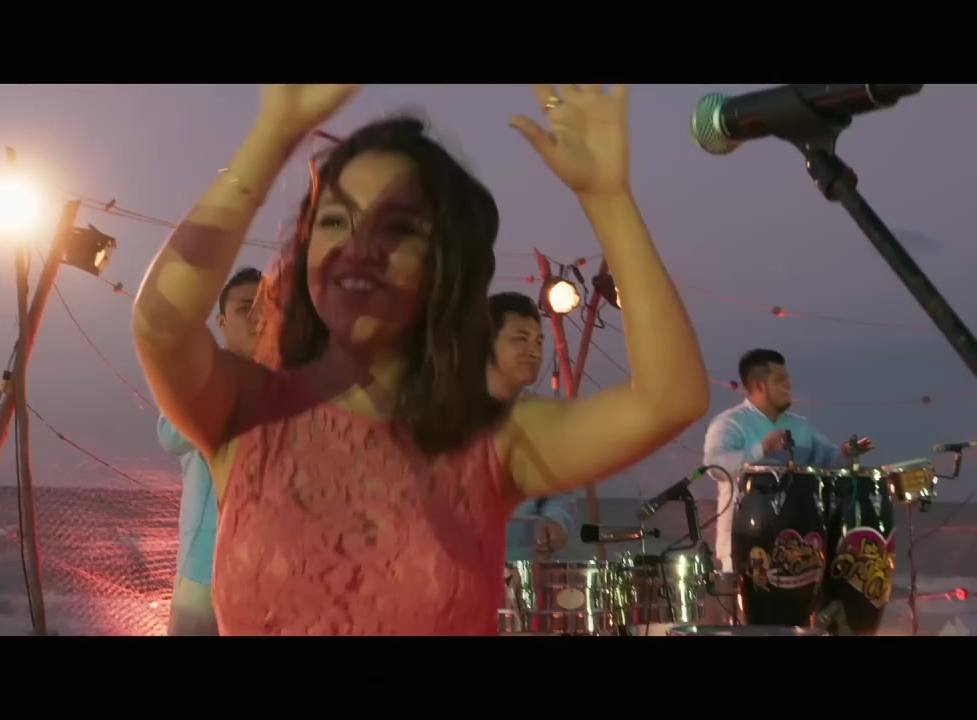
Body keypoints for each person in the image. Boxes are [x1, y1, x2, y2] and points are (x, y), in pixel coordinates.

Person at [132, 84, 709, 635]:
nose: (358, 247)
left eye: (398, 228)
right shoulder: (246, 411)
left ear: (445, 266)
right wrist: (272, 134)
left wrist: (607, 198)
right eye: (334, 220)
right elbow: (162, 323)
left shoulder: (491, 438)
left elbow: (671, 398)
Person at [157, 266, 262, 636]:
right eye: (246, 309)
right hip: (204, 574)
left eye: (269, 309)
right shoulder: (201, 375)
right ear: (221, 321)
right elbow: (170, 435)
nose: (258, 319)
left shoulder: (291, 386)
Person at [703, 348, 875, 572]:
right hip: (744, 542)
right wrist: (761, 449)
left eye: (787, 379)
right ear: (758, 386)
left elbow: (828, 460)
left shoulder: (800, 426)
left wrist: (846, 453)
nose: (788, 386)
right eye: (780, 381)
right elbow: (715, 466)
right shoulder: (730, 423)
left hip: (799, 548)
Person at [486, 292, 577, 560]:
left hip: (524, 570)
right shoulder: (446, 417)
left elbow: (560, 492)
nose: (534, 351)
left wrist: (556, 522)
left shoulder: (542, 419)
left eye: (539, 341)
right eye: (520, 339)